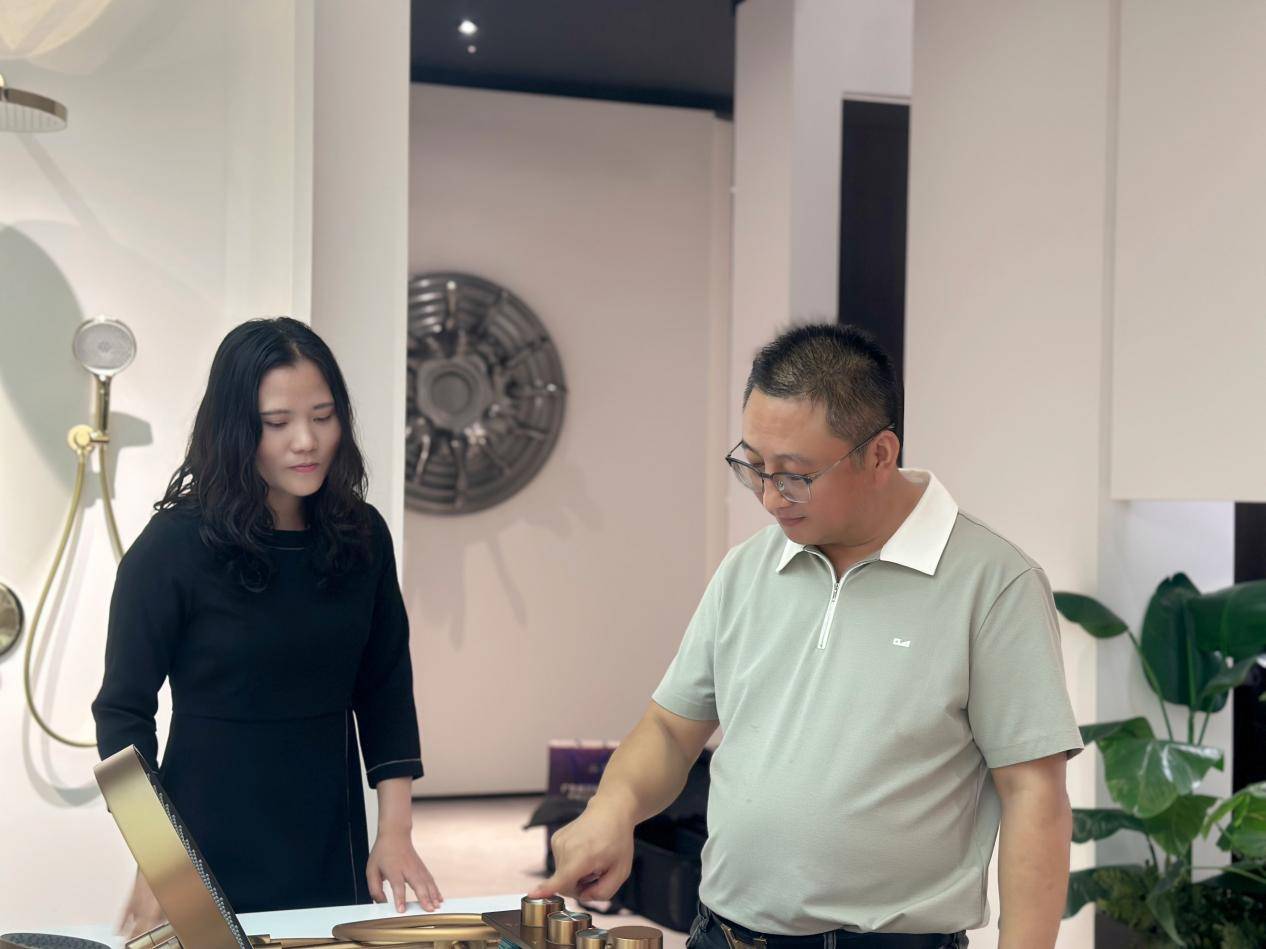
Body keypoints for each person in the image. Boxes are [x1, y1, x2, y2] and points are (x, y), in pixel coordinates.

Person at [532, 324, 1083, 949]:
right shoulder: (748, 567)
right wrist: (613, 808)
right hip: (721, 933)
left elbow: (1033, 794)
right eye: (754, 467)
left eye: (794, 475)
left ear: (879, 455)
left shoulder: (994, 583)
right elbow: (670, 728)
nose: (771, 499)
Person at [93, 318, 440, 936]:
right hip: (202, 840)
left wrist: (396, 831)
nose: (306, 441)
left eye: (323, 416)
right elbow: (122, 712)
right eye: (276, 423)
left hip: (329, 831)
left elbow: (385, 687)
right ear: (235, 428)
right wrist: (158, 862)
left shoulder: (363, 536)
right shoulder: (173, 547)